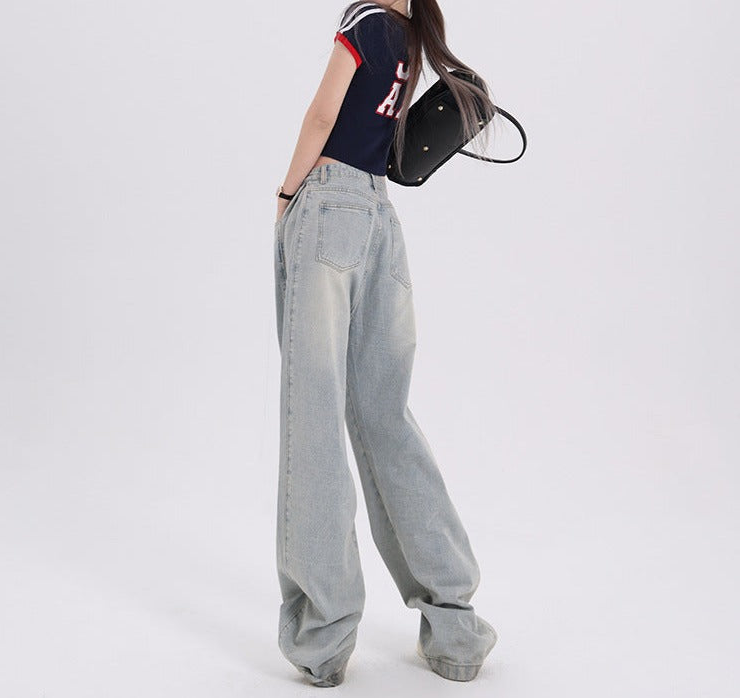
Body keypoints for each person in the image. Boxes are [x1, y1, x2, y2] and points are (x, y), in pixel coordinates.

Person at [272, 0, 498, 687]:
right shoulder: (411, 34)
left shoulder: (365, 19)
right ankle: (455, 626)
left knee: (314, 416)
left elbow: (322, 116)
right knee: (384, 418)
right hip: (379, 218)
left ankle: (323, 639)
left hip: (327, 207)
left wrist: (287, 196)